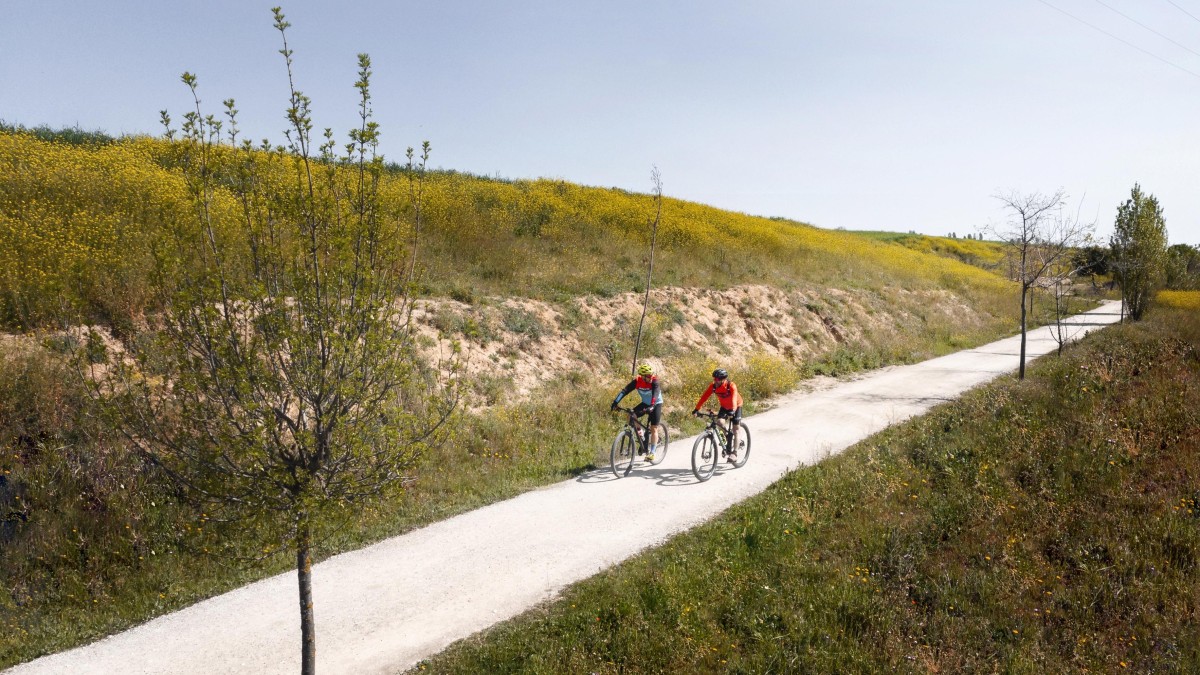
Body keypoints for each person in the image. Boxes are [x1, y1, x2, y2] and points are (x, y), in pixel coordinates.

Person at [610, 362, 664, 462]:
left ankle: (652, 453)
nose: (651, 377)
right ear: (642, 376)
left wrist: (652, 405)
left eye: (651, 374)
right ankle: (642, 437)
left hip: (656, 404)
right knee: (631, 415)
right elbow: (624, 391)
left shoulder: (655, 381)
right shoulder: (637, 382)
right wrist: (615, 402)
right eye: (648, 375)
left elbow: (656, 394)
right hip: (645, 403)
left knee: (654, 428)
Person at [692, 368, 743, 463]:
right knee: (719, 422)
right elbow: (704, 397)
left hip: (736, 406)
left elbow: (734, 398)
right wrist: (696, 409)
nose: (715, 381)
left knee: (736, 429)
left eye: (717, 379)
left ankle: (734, 453)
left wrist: (733, 410)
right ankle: (727, 435)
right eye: (714, 379)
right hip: (724, 407)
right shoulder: (713, 386)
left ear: (723, 379)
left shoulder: (731, 385)